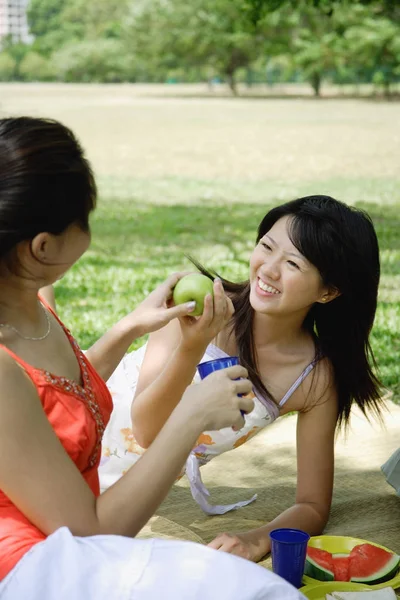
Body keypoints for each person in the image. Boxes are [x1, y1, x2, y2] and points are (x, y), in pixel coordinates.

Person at [0, 116, 305, 600]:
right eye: (86, 217)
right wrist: (192, 413)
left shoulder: (27, 306)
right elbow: (93, 533)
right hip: (30, 566)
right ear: (42, 246)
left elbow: (56, 396)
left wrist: (130, 326)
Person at [98, 193, 384, 563]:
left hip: (129, 499)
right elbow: (148, 431)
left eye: (294, 263)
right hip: (70, 444)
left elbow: (313, 504)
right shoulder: (197, 308)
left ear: (328, 292)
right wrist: (192, 346)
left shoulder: (313, 378)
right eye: (267, 246)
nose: (268, 269)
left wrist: (255, 539)